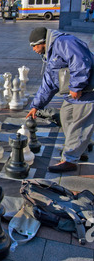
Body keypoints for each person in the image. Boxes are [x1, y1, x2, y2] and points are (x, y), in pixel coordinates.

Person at [26, 27, 94, 173]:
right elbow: (49, 84)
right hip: (73, 95)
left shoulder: (63, 42)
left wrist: (77, 86)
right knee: (66, 116)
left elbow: (81, 61)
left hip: (86, 92)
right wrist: (36, 105)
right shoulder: (50, 55)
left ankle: (70, 160)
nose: (33, 49)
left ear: (42, 42)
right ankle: (79, 149)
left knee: (79, 124)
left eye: (34, 46)